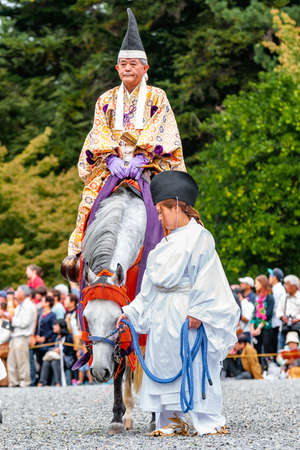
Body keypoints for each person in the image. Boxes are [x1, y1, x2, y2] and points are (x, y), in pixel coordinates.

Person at [117, 170, 240, 436]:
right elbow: (149, 289)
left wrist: (199, 311)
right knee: (163, 361)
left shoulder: (200, 238)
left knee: (192, 363)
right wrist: (130, 312)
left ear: (177, 206)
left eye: (162, 211)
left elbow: (208, 278)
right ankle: (170, 419)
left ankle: (207, 419)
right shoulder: (163, 245)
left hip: (187, 312)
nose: (159, 218)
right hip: (162, 314)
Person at [67, 8, 186, 258]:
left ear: (145, 68)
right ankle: (78, 255)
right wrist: (111, 159)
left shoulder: (157, 96)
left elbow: (164, 132)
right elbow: (98, 132)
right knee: (88, 201)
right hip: (112, 166)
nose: (127, 68)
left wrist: (141, 158)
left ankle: (181, 253)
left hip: (150, 164)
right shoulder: (105, 100)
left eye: (133, 64)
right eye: (123, 64)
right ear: (116, 68)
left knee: (174, 204)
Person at [7, 285, 36, 387]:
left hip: (23, 336)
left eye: (18, 291)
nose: (15, 294)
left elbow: (25, 323)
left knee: (22, 361)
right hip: (15, 336)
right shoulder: (19, 306)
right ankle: (13, 382)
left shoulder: (29, 306)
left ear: (24, 293)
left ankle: (24, 381)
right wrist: (3, 321)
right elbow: (13, 324)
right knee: (11, 361)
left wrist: (11, 319)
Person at [38, 319, 76, 386]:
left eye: (55, 325)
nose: (53, 327)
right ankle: (42, 382)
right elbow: (47, 347)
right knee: (46, 362)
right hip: (56, 357)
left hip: (67, 359)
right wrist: (54, 350)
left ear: (61, 326)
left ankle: (58, 382)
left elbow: (69, 350)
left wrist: (61, 350)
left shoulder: (68, 337)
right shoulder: (54, 337)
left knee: (55, 361)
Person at [250, 275, 274, 367]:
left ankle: (267, 368)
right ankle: (258, 368)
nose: (255, 285)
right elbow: (254, 313)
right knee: (257, 349)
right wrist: (252, 328)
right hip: (255, 328)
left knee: (267, 347)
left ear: (262, 283)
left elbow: (268, 315)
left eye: (256, 283)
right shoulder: (257, 298)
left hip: (266, 327)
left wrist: (259, 327)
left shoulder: (270, 297)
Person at [276, 275, 300, 346]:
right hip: (284, 329)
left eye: (287, 284)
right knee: (281, 351)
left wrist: (296, 319)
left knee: (295, 354)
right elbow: (278, 311)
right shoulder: (284, 297)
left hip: (297, 328)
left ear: (293, 286)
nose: (285, 286)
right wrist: (282, 317)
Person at [35, 295, 56, 368]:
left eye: (42, 301)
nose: (40, 303)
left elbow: (53, 329)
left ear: (47, 303)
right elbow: (37, 326)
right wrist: (36, 335)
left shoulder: (52, 315)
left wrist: (44, 337)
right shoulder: (40, 314)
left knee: (46, 362)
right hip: (38, 341)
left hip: (47, 342)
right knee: (39, 360)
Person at [268, 267, 286, 352]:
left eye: (270, 275)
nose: (269, 277)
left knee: (275, 347)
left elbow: (277, 307)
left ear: (274, 277)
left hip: (277, 322)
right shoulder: (276, 288)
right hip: (275, 321)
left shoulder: (278, 289)